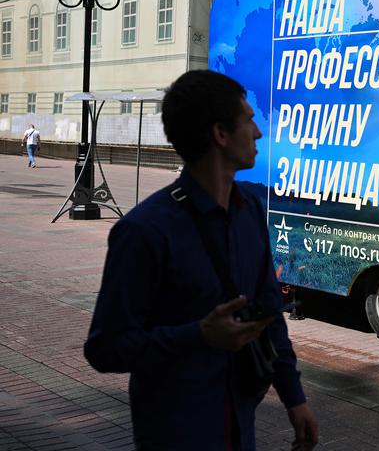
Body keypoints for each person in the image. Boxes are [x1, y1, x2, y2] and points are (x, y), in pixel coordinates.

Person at [84, 70, 318, 450]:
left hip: (240, 428)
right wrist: (198, 335)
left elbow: (270, 312)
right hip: (175, 431)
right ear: (220, 135)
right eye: (249, 119)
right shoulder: (145, 230)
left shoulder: (250, 211)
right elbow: (105, 349)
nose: (258, 132)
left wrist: (295, 398)